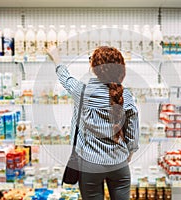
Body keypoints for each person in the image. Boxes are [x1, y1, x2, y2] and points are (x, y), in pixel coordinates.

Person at [48, 46, 139, 200]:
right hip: (119, 164)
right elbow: (132, 130)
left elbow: (65, 77)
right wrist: (129, 152)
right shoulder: (126, 95)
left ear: (94, 68)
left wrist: (56, 57)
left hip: (90, 165)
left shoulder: (82, 92)